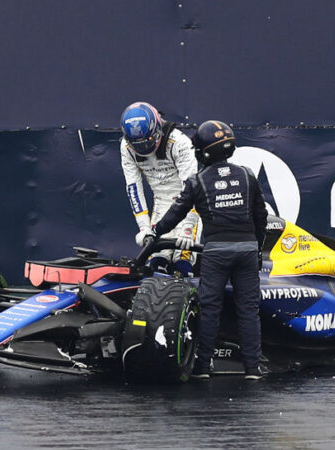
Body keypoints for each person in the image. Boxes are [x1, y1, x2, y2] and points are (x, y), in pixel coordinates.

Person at [147, 120, 268, 380]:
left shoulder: (197, 181)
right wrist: (257, 248)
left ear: (204, 152)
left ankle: (202, 368)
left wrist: (154, 232)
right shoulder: (247, 175)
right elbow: (262, 216)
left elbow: (174, 216)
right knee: (249, 310)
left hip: (215, 252)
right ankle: (252, 369)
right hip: (247, 250)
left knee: (210, 309)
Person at [120, 101, 199, 275]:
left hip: (188, 204)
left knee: (183, 261)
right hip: (161, 202)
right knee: (156, 260)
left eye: (146, 141)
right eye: (137, 144)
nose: (143, 148)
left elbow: (193, 188)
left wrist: (188, 226)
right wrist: (144, 227)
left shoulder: (179, 142)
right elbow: (133, 187)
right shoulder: (126, 147)